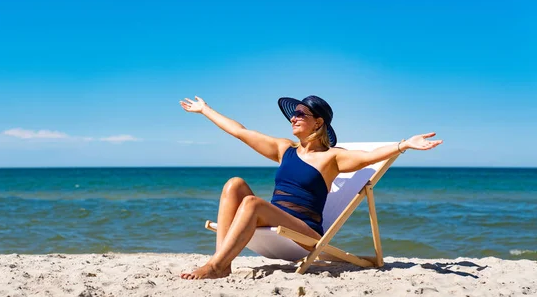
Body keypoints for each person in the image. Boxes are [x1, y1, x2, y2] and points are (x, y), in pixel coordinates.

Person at [179, 95, 442, 280]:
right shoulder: (284, 149)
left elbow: (368, 157)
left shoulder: (332, 158)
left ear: (318, 122)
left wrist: (404, 144)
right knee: (234, 184)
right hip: (273, 220)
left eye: (300, 114)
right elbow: (240, 131)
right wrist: (205, 110)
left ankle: (215, 265)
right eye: (293, 114)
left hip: (304, 234)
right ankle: (223, 264)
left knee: (251, 203)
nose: (293, 118)